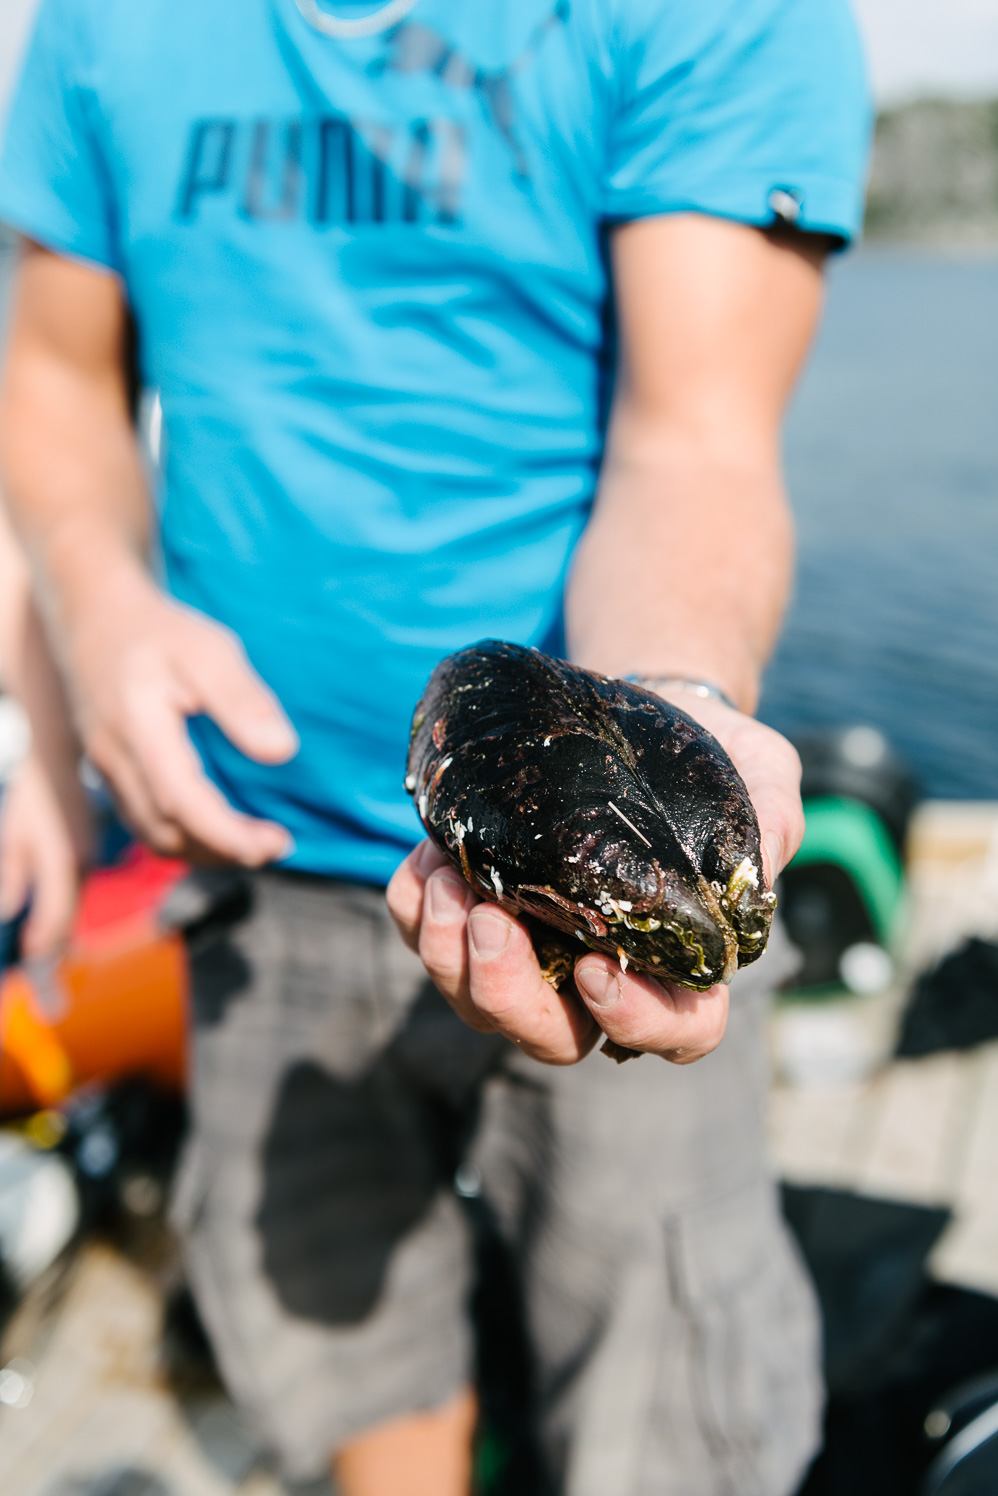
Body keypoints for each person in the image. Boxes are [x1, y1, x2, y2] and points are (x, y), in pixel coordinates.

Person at [0, 1, 869, 1491]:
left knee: (664, 1406)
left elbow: (696, 444)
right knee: (352, 1357)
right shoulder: (102, 23)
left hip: (574, 914)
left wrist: (678, 699)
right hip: (245, 845)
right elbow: (58, 376)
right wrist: (94, 618)